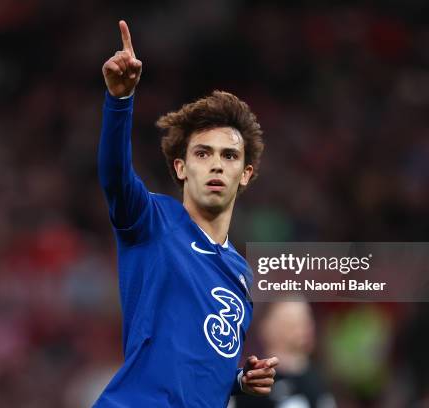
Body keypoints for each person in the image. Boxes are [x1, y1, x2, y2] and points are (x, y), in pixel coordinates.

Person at [93, 20, 278, 408]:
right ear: (181, 168)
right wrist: (119, 101)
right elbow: (114, 177)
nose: (216, 165)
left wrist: (239, 380)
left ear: (245, 175)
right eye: (202, 153)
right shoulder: (153, 221)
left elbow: (194, 362)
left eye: (229, 156)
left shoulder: (242, 278)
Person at [234, 302, 336, 408]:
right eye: (293, 322)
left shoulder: (320, 375)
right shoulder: (257, 379)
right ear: (268, 328)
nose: (305, 328)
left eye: (307, 319)